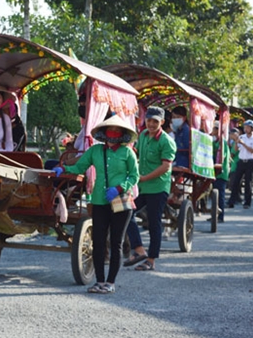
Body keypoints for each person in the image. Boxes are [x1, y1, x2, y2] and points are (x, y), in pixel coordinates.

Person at [53, 115, 139, 294]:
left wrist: (119, 188)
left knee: (116, 242)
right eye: (110, 130)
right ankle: (99, 281)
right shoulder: (95, 151)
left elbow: (134, 176)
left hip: (121, 201)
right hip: (99, 200)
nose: (113, 133)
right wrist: (64, 169)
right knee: (98, 242)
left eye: (116, 131)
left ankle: (110, 282)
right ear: (104, 133)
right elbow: (80, 167)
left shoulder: (128, 152)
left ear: (122, 134)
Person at [123, 106, 177, 271]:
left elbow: (166, 167)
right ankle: (139, 250)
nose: (152, 124)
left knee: (154, 223)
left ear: (162, 122)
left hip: (158, 187)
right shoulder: (143, 136)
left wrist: (144, 178)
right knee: (124, 210)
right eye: (149, 120)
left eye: (155, 121)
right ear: (145, 120)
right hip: (140, 186)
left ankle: (151, 260)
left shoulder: (167, 141)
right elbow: (136, 156)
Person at [227, 119, 253, 209]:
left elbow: (252, 150)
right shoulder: (242, 137)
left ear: (252, 128)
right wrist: (236, 141)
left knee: (248, 182)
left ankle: (247, 202)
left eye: (248, 127)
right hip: (241, 161)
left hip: (250, 161)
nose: (246, 129)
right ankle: (232, 200)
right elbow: (236, 148)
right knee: (235, 182)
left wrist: (243, 143)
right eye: (245, 127)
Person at [210, 121, 231, 222]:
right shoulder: (216, 141)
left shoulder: (222, 142)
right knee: (215, 194)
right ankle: (215, 214)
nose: (212, 131)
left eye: (213, 129)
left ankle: (220, 216)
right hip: (215, 171)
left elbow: (221, 157)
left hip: (221, 172)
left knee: (220, 195)